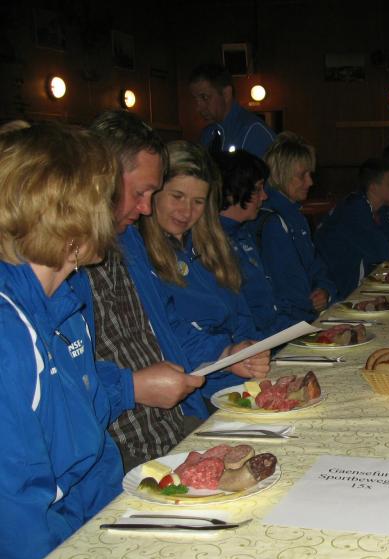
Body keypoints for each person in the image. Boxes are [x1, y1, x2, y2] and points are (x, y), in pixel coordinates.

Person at [84, 110, 264, 471]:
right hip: (121, 448)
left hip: (173, 423)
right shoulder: (68, 257)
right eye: (141, 193)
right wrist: (131, 387)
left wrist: (230, 352)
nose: (145, 208)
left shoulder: (127, 240)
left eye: (197, 202)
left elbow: (170, 329)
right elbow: (63, 383)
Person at [0, 124, 123, 559]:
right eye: (104, 200)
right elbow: (15, 518)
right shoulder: (8, 333)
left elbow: (92, 442)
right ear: (74, 218)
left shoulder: (66, 304)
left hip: (93, 532)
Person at [139, 140, 269, 396]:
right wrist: (228, 354)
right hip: (197, 391)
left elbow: (241, 315)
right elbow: (173, 336)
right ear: (154, 193)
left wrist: (252, 350)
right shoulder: (139, 255)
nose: (186, 211)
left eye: (198, 201)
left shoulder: (211, 246)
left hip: (241, 379)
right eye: (177, 197)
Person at [215, 150, 298, 336]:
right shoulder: (214, 243)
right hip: (256, 343)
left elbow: (272, 300)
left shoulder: (243, 232)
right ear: (233, 192)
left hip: (275, 333)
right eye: (258, 189)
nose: (264, 196)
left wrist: (298, 330)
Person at [257, 132, 337, 322]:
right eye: (302, 175)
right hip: (290, 325)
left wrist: (325, 290)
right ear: (281, 175)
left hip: (303, 317)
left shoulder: (295, 216)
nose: (310, 182)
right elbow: (288, 289)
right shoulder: (272, 222)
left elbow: (316, 267)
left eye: (310, 174)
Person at [315, 158, 389, 297]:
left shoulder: (376, 208)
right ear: (374, 187)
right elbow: (383, 253)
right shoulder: (355, 208)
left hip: (349, 285)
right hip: (337, 291)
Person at [189, 63, 276, 158]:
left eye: (205, 97)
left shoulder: (254, 132)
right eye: (196, 99)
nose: (198, 108)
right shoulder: (208, 135)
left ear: (226, 94)